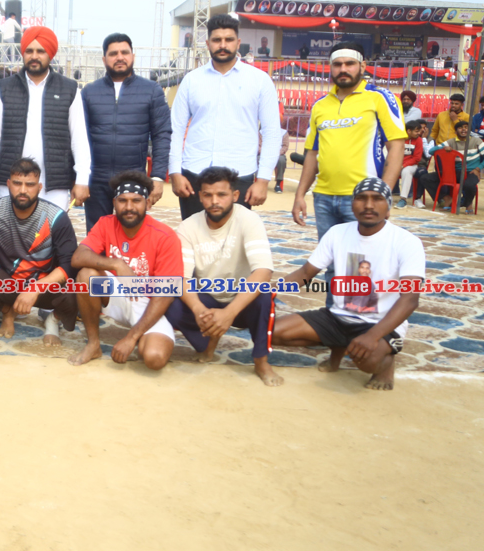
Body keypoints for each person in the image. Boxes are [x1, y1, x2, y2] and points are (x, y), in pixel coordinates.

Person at [274, 179, 425, 391]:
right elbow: (305, 273)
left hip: (380, 323)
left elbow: (410, 299)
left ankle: (386, 363)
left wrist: (373, 336)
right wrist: (266, 294)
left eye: (377, 199)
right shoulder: (337, 233)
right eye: (361, 198)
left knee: (367, 361)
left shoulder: (407, 242)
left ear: (388, 207)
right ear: (352, 204)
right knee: (271, 331)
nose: (369, 205)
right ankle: (339, 344)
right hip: (338, 317)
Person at [165, 166, 282, 386]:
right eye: (208, 195)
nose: (214, 201)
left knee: (265, 295)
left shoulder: (249, 220)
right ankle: (208, 342)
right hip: (207, 299)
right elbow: (182, 278)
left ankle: (261, 361)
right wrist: (198, 310)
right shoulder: (188, 226)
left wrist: (229, 313)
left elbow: (263, 271)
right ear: (200, 197)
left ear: (235, 196)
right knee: (169, 301)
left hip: (242, 298)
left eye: (221, 195)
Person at [169, 14, 282, 219]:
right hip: (194, 174)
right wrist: (175, 172)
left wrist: (263, 179)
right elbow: (175, 129)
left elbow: (272, 133)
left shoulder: (259, 81)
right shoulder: (192, 80)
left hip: (240, 176)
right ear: (208, 44)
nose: (223, 45)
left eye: (229, 39)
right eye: (217, 40)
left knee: (234, 238)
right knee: (193, 235)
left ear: (238, 42)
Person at [68, 171, 183, 370]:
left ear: (148, 203)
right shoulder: (106, 223)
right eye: (122, 201)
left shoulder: (165, 236)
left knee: (154, 358)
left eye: (136, 201)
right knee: (86, 275)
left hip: (148, 302)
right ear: (114, 203)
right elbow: (78, 257)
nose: (129, 207)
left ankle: (141, 337)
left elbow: (166, 294)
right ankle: (93, 344)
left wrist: (131, 338)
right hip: (118, 295)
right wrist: (117, 264)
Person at [292, 40, 405, 242]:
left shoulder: (380, 97)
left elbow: (396, 147)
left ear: (362, 66)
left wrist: (382, 196)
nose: (343, 69)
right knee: (330, 257)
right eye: (337, 64)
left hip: (364, 198)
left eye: (350, 63)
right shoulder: (320, 105)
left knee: (362, 257)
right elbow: (312, 154)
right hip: (323, 197)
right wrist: (299, 195)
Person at [0, 26, 91, 210]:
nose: (34, 56)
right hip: (12, 183)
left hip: (54, 185)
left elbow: (79, 138)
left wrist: (82, 179)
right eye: (29, 51)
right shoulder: (5, 88)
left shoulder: (69, 89)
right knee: (10, 228)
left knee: (51, 229)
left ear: (50, 54)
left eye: (41, 51)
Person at [0, 158, 78, 345]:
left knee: (78, 290)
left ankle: (53, 321)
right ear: (8, 184)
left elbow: (68, 265)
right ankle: (7, 311)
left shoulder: (56, 217)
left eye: (30, 185)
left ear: (39, 187)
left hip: (46, 285)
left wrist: (36, 288)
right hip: (11, 281)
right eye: (17, 183)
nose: (23, 190)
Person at [81, 33, 172, 229]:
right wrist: (77, 178)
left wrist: (157, 177)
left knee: (133, 235)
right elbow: (79, 137)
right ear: (104, 59)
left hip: (133, 178)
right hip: (96, 179)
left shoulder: (151, 91)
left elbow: (162, 135)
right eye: (113, 53)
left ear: (133, 56)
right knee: (97, 235)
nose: (120, 57)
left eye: (124, 52)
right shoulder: (89, 92)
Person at [422, 119, 482, 211]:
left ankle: (467, 203)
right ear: (455, 131)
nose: (463, 129)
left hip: (471, 171)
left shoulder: (477, 141)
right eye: (460, 128)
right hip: (454, 172)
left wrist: (478, 169)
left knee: (469, 185)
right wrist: (444, 147)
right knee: (425, 178)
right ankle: (447, 198)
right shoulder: (451, 141)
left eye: (466, 127)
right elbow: (431, 151)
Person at [396, 119, 425, 208]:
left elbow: (417, 158)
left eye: (419, 131)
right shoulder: (399, 139)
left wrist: (403, 165)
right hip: (397, 164)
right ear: (409, 131)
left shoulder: (419, 140)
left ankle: (403, 199)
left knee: (406, 171)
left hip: (411, 165)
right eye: (416, 131)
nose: (418, 133)